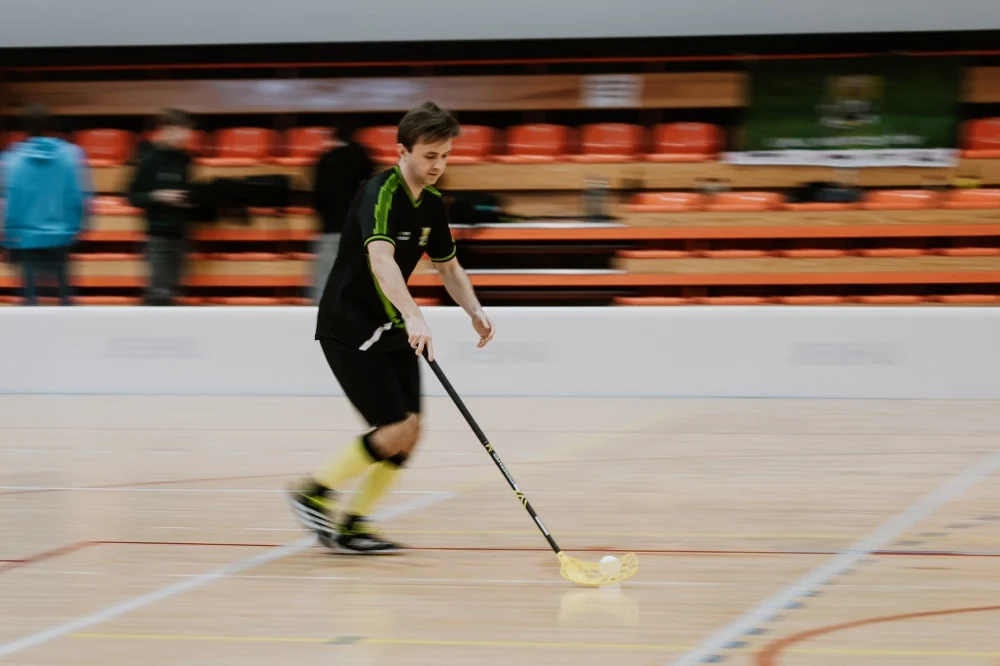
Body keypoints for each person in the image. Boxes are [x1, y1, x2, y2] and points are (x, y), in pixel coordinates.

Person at [289, 101, 495, 555]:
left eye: (445, 155)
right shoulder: (379, 193)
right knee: (397, 426)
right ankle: (313, 494)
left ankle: (353, 526)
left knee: (411, 431)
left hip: (391, 322)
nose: (438, 165)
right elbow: (381, 261)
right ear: (402, 151)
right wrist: (416, 315)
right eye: (429, 155)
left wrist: (474, 309)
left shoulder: (432, 203)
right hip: (350, 323)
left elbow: (449, 266)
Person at [1, 103, 90, 306]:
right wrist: (78, 227)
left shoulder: (13, 159)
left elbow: (9, 200)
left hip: (25, 238)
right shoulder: (72, 155)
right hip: (61, 235)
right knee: (64, 298)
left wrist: (8, 234)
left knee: (30, 301)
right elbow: (78, 196)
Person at [126, 108, 195, 306]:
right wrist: (157, 196)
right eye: (182, 130)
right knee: (158, 293)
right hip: (157, 236)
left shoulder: (185, 159)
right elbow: (132, 196)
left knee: (173, 291)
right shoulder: (149, 158)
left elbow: (188, 190)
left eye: (187, 131)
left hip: (181, 234)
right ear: (166, 130)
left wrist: (190, 199)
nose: (186, 135)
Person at [310, 120, 374, 301]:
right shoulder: (362, 157)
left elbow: (318, 200)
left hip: (331, 229)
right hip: (358, 230)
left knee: (324, 283)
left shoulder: (324, 161)